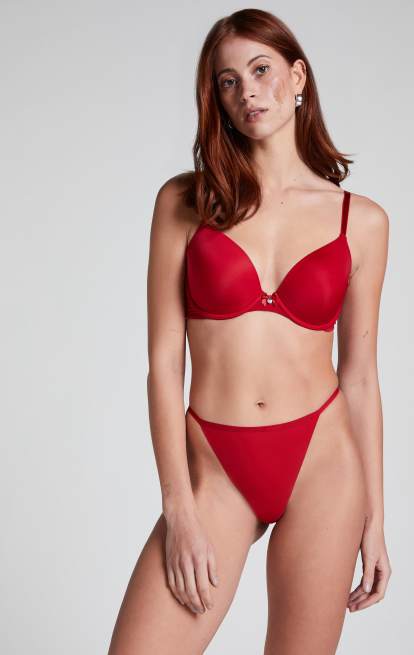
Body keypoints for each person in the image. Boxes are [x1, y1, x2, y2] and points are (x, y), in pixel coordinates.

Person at [108, 8, 391, 654]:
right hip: (214, 469)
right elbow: (163, 365)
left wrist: (375, 518)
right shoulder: (184, 202)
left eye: (261, 70)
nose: (247, 93)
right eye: (228, 81)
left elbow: (359, 378)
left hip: (323, 466)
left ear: (298, 78)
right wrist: (178, 507)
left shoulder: (362, 222)